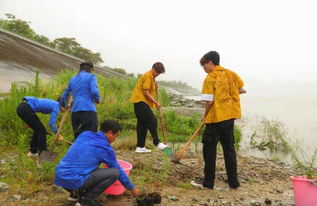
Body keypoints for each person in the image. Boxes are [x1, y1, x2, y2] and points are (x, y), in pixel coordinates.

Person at [191, 51, 246, 190]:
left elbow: (209, 102)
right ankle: (234, 183)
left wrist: (205, 116)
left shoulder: (210, 77)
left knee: (209, 150)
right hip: (230, 117)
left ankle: (208, 183)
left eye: (204, 64)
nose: (203, 67)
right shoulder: (231, 74)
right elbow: (242, 89)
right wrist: (227, 94)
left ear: (210, 62)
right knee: (229, 149)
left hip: (215, 118)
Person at [54, 119, 140, 206]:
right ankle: (86, 200)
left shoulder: (85, 134)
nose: (115, 140)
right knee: (114, 173)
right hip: (75, 180)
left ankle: (75, 194)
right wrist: (131, 188)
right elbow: (119, 170)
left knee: (85, 167)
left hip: (60, 177)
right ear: (109, 133)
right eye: (116, 136)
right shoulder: (105, 148)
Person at [130, 62, 168, 153]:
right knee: (152, 120)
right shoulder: (148, 76)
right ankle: (157, 143)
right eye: (157, 72)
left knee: (142, 125)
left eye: (160, 73)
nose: (158, 74)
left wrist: (154, 85)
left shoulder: (151, 77)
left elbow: (149, 88)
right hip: (141, 102)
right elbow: (146, 92)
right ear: (153, 68)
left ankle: (140, 147)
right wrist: (156, 102)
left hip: (138, 102)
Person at [60, 61, 100, 139]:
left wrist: (62, 105)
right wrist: (97, 99)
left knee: (78, 138)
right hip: (88, 110)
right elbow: (94, 91)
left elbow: (65, 94)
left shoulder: (73, 79)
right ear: (91, 69)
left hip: (75, 112)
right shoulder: (91, 77)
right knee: (91, 137)